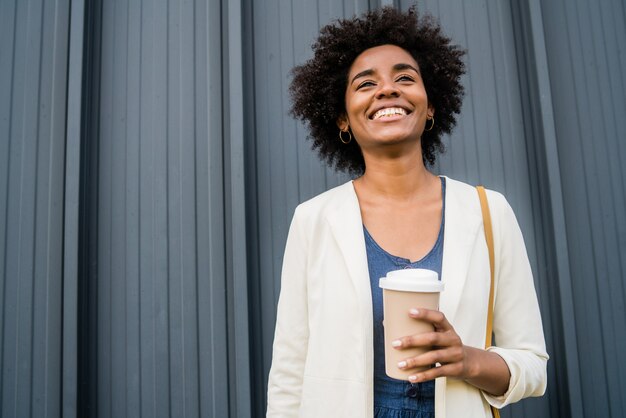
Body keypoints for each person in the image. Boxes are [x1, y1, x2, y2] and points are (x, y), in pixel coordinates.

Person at [266, 6, 548, 418]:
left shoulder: (489, 212)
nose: (387, 90)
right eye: (366, 83)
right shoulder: (313, 220)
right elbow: (289, 376)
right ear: (343, 118)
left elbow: (532, 367)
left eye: (404, 78)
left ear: (430, 105)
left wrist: (469, 361)